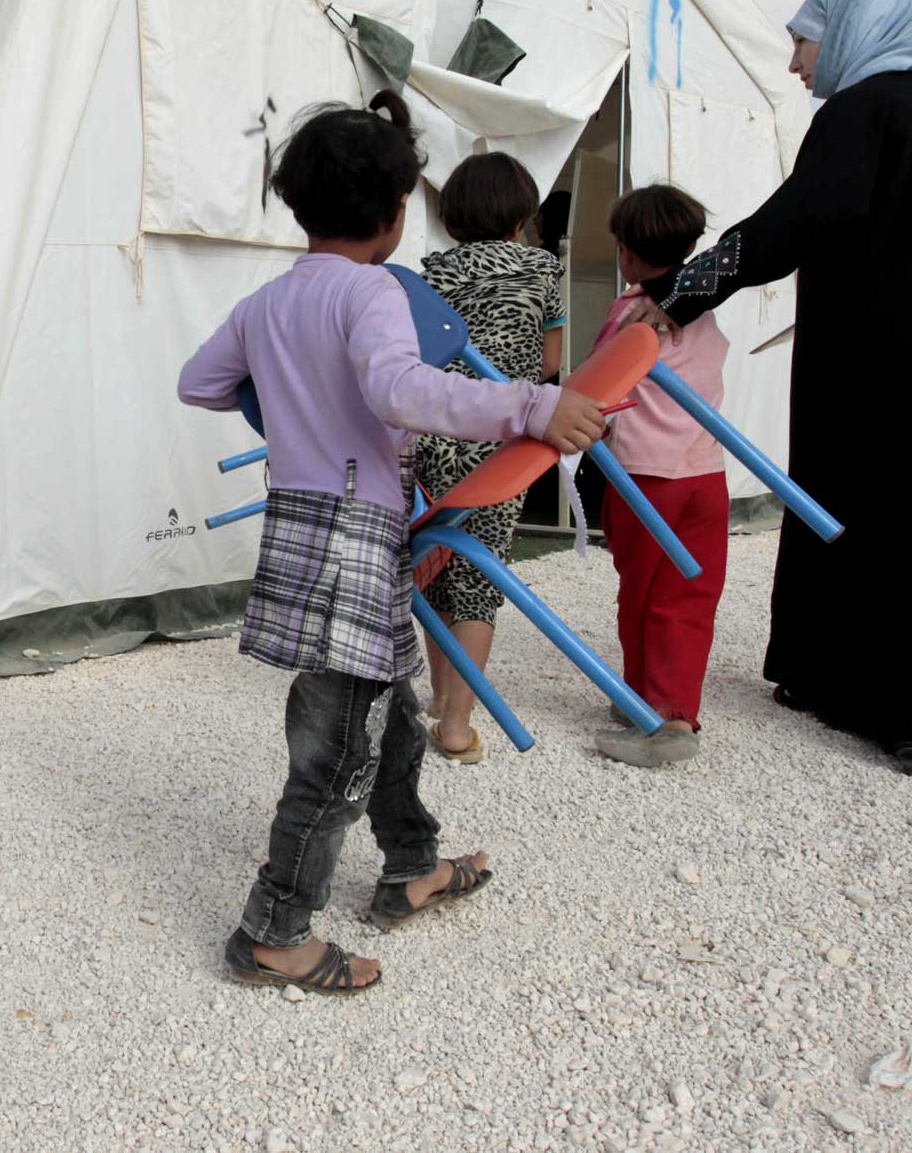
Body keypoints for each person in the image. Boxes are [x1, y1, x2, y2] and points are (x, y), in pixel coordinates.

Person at [177, 93, 605, 995]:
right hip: (355, 527)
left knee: (388, 709)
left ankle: (411, 864)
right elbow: (401, 389)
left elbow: (200, 383)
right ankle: (274, 929)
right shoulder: (372, 288)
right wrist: (531, 403)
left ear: (297, 207)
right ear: (397, 211)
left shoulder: (267, 301)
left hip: (302, 518)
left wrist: (286, 395)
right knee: (336, 744)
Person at [620, 0, 912, 775]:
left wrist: (678, 293)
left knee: (847, 499)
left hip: (865, 365)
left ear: (854, 31)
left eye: (804, 39)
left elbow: (793, 222)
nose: (796, 61)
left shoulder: (862, 112)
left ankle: (829, 680)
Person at [413, 152, 566, 762]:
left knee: (435, 565)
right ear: (522, 214)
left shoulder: (430, 274)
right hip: (505, 444)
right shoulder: (542, 268)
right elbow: (550, 364)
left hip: (436, 435)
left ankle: (440, 693)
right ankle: (456, 723)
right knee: (482, 577)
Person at [591, 186, 729, 768]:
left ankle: (656, 712)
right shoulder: (703, 306)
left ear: (624, 251)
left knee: (644, 592)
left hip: (646, 478)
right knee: (690, 595)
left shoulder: (632, 314)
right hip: (707, 472)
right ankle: (676, 703)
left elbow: (597, 387)